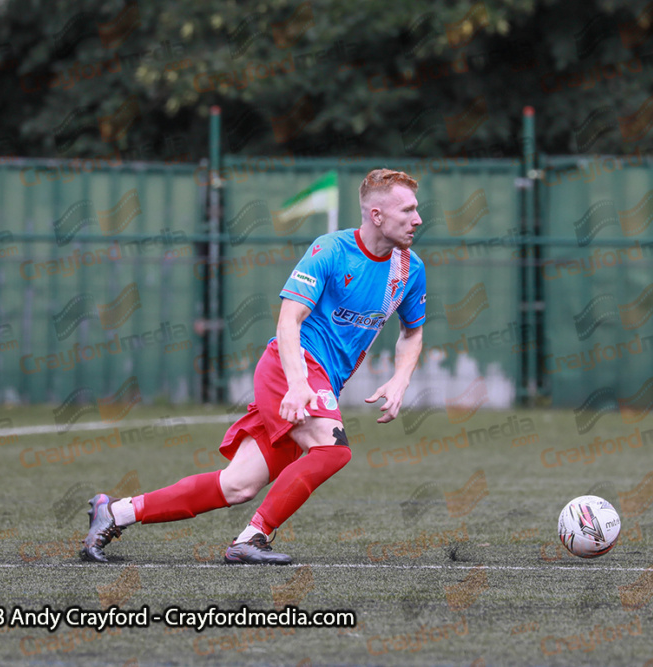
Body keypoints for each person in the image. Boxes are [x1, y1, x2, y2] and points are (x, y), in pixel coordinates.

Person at [82, 168, 427, 564]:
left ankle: (115, 513)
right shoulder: (330, 250)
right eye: (408, 210)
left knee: (237, 486)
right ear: (377, 215)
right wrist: (298, 383)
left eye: (417, 210)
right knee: (333, 451)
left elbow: (412, 333)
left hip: (319, 380)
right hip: (291, 367)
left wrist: (401, 379)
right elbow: (288, 320)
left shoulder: (409, 268)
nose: (417, 219)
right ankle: (252, 538)